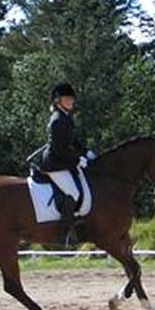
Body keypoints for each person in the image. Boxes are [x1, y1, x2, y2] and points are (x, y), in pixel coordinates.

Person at [35, 83, 94, 247]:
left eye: (71, 98)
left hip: (63, 162)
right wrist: (77, 160)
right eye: (67, 99)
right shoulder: (57, 120)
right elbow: (59, 149)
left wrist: (86, 152)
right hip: (55, 164)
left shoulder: (66, 117)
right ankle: (63, 234)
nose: (71, 101)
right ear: (58, 101)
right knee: (74, 193)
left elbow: (72, 141)